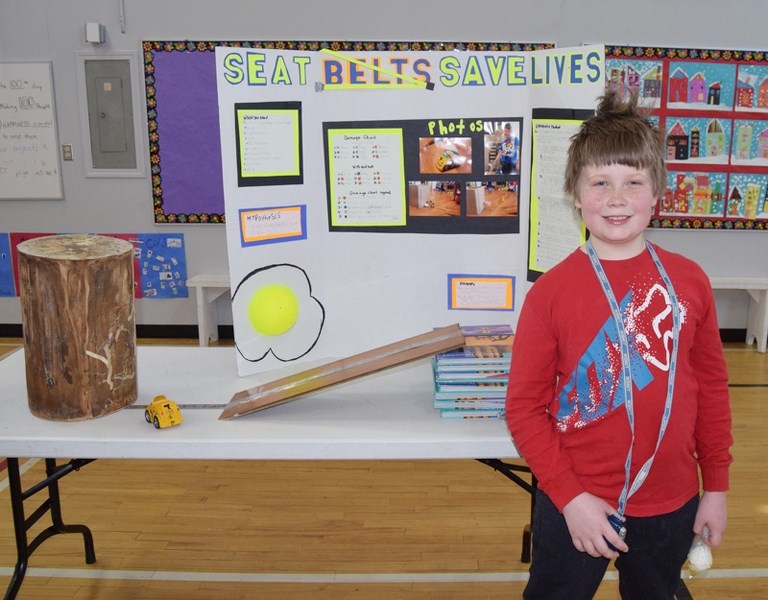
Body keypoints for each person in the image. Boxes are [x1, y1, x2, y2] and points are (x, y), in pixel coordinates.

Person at [505, 89, 733, 600]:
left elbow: (712, 390)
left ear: (656, 194)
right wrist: (569, 498)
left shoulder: (689, 282)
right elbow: (523, 410)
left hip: (671, 502)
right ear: (575, 193)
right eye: (600, 182)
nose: (616, 198)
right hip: (576, 501)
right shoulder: (551, 293)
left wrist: (714, 487)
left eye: (633, 182)